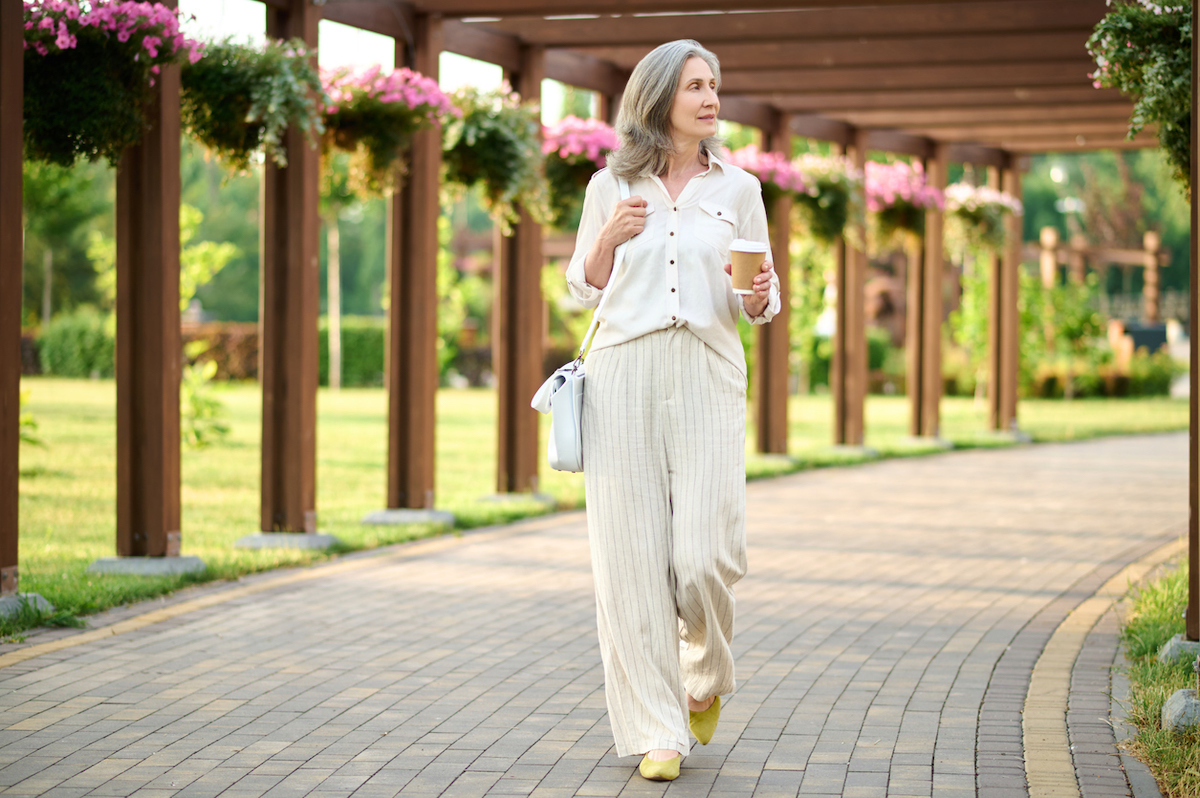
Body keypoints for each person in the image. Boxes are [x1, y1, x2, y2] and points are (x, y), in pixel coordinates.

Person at [564, 39, 781, 782]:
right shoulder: (609, 186)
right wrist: (608, 240)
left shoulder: (740, 189)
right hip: (623, 371)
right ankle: (659, 729)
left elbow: (761, 294)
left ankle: (704, 674)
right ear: (659, 99)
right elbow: (582, 286)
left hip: (708, 370)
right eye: (696, 86)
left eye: (715, 84)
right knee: (628, 559)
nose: (712, 97)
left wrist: (758, 297)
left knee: (705, 555)